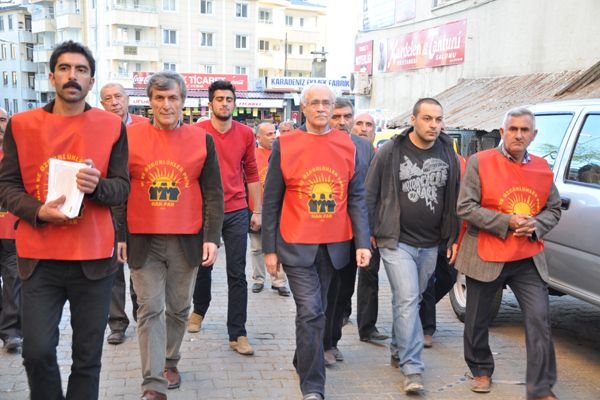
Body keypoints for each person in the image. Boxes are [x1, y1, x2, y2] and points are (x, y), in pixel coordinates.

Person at [0, 41, 130, 400]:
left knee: (87, 359)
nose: (72, 76)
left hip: (94, 260)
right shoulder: (22, 125)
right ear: (51, 75)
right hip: (39, 259)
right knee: (37, 352)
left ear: (91, 81)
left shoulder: (112, 127)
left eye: (81, 70)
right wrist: (37, 211)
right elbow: (6, 186)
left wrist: (98, 187)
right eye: (64, 68)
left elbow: (122, 189)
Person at [116, 71, 224, 400]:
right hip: (142, 239)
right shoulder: (129, 137)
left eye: (172, 98)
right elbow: (120, 190)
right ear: (149, 102)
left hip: (186, 240)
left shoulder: (201, 140)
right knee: (149, 308)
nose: (166, 104)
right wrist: (120, 233)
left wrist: (211, 236)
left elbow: (213, 193)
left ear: (183, 101)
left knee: (178, 308)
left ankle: (170, 360)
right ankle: (153, 383)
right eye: (159, 98)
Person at [262, 84, 371, 400]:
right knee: (311, 311)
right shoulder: (286, 145)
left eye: (327, 103)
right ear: (304, 108)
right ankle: (313, 386)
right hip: (296, 244)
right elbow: (271, 200)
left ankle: (302, 358)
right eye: (315, 103)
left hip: (334, 246)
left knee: (318, 310)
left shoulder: (348, 146)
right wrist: (269, 249)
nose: (322, 108)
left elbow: (357, 196)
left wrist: (362, 242)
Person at [455, 107, 561, 400]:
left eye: (524, 130)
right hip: (487, 253)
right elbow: (465, 208)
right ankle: (480, 369)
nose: (518, 135)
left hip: (527, 256)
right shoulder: (480, 162)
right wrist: (507, 222)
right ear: (502, 132)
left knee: (539, 318)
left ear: (533, 135)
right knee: (477, 319)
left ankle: (540, 387)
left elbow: (553, 209)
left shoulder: (541, 167)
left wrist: (536, 224)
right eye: (512, 129)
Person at [365, 98, 460, 394]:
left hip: (431, 243)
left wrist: (453, 237)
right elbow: (369, 192)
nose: (434, 125)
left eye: (438, 119)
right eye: (428, 119)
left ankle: (397, 346)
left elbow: (454, 198)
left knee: (413, 299)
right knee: (407, 299)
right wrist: (367, 231)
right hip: (396, 240)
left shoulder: (448, 152)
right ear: (414, 120)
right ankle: (413, 367)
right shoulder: (391, 151)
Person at [189, 80, 261, 356]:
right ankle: (199, 310)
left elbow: (252, 172)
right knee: (202, 266)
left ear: (234, 103)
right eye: (219, 99)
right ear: (210, 104)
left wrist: (258, 210)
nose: (224, 104)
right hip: (204, 211)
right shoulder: (196, 132)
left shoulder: (244, 133)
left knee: (237, 273)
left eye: (229, 99)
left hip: (236, 210)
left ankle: (238, 332)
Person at [322, 98, 381, 367]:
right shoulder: (314, 143)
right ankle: (316, 344)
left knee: (342, 291)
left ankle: (331, 341)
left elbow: (369, 193)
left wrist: (367, 232)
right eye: (337, 117)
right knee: (319, 292)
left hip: (351, 233)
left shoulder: (364, 147)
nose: (342, 122)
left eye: (347, 116)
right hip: (318, 231)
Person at [99, 82, 147, 345]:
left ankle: (142, 315)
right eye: (108, 98)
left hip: (140, 204)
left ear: (128, 99)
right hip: (109, 205)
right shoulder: (97, 128)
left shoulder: (143, 126)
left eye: (118, 96)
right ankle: (116, 323)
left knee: (139, 263)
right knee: (113, 267)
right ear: (102, 103)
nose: (114, 102)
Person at [349, 112, 389, 343]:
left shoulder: (381, 156)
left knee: (369, 277)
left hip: (374, 227)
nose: (364, 129)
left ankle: (367, 327)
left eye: (369, 125)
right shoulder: (345, 152)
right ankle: (341, 313)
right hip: (347, 226)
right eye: (359, 124)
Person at [249, 122, 290, 296]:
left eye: (274, 133)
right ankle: (258, 279)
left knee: (279, 246)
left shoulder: (283, 153)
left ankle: (279, 281)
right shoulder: (252, 156)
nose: (274, 137)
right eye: (269, 134)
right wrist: (254, 211)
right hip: (256, 210)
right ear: (258, 137)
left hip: (279, 211)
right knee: (257, 248)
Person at [0, 106, 21, 354]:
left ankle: (11, 332)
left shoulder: (17, 155)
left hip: (12, 231)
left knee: (14, 281)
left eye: (3, 120)